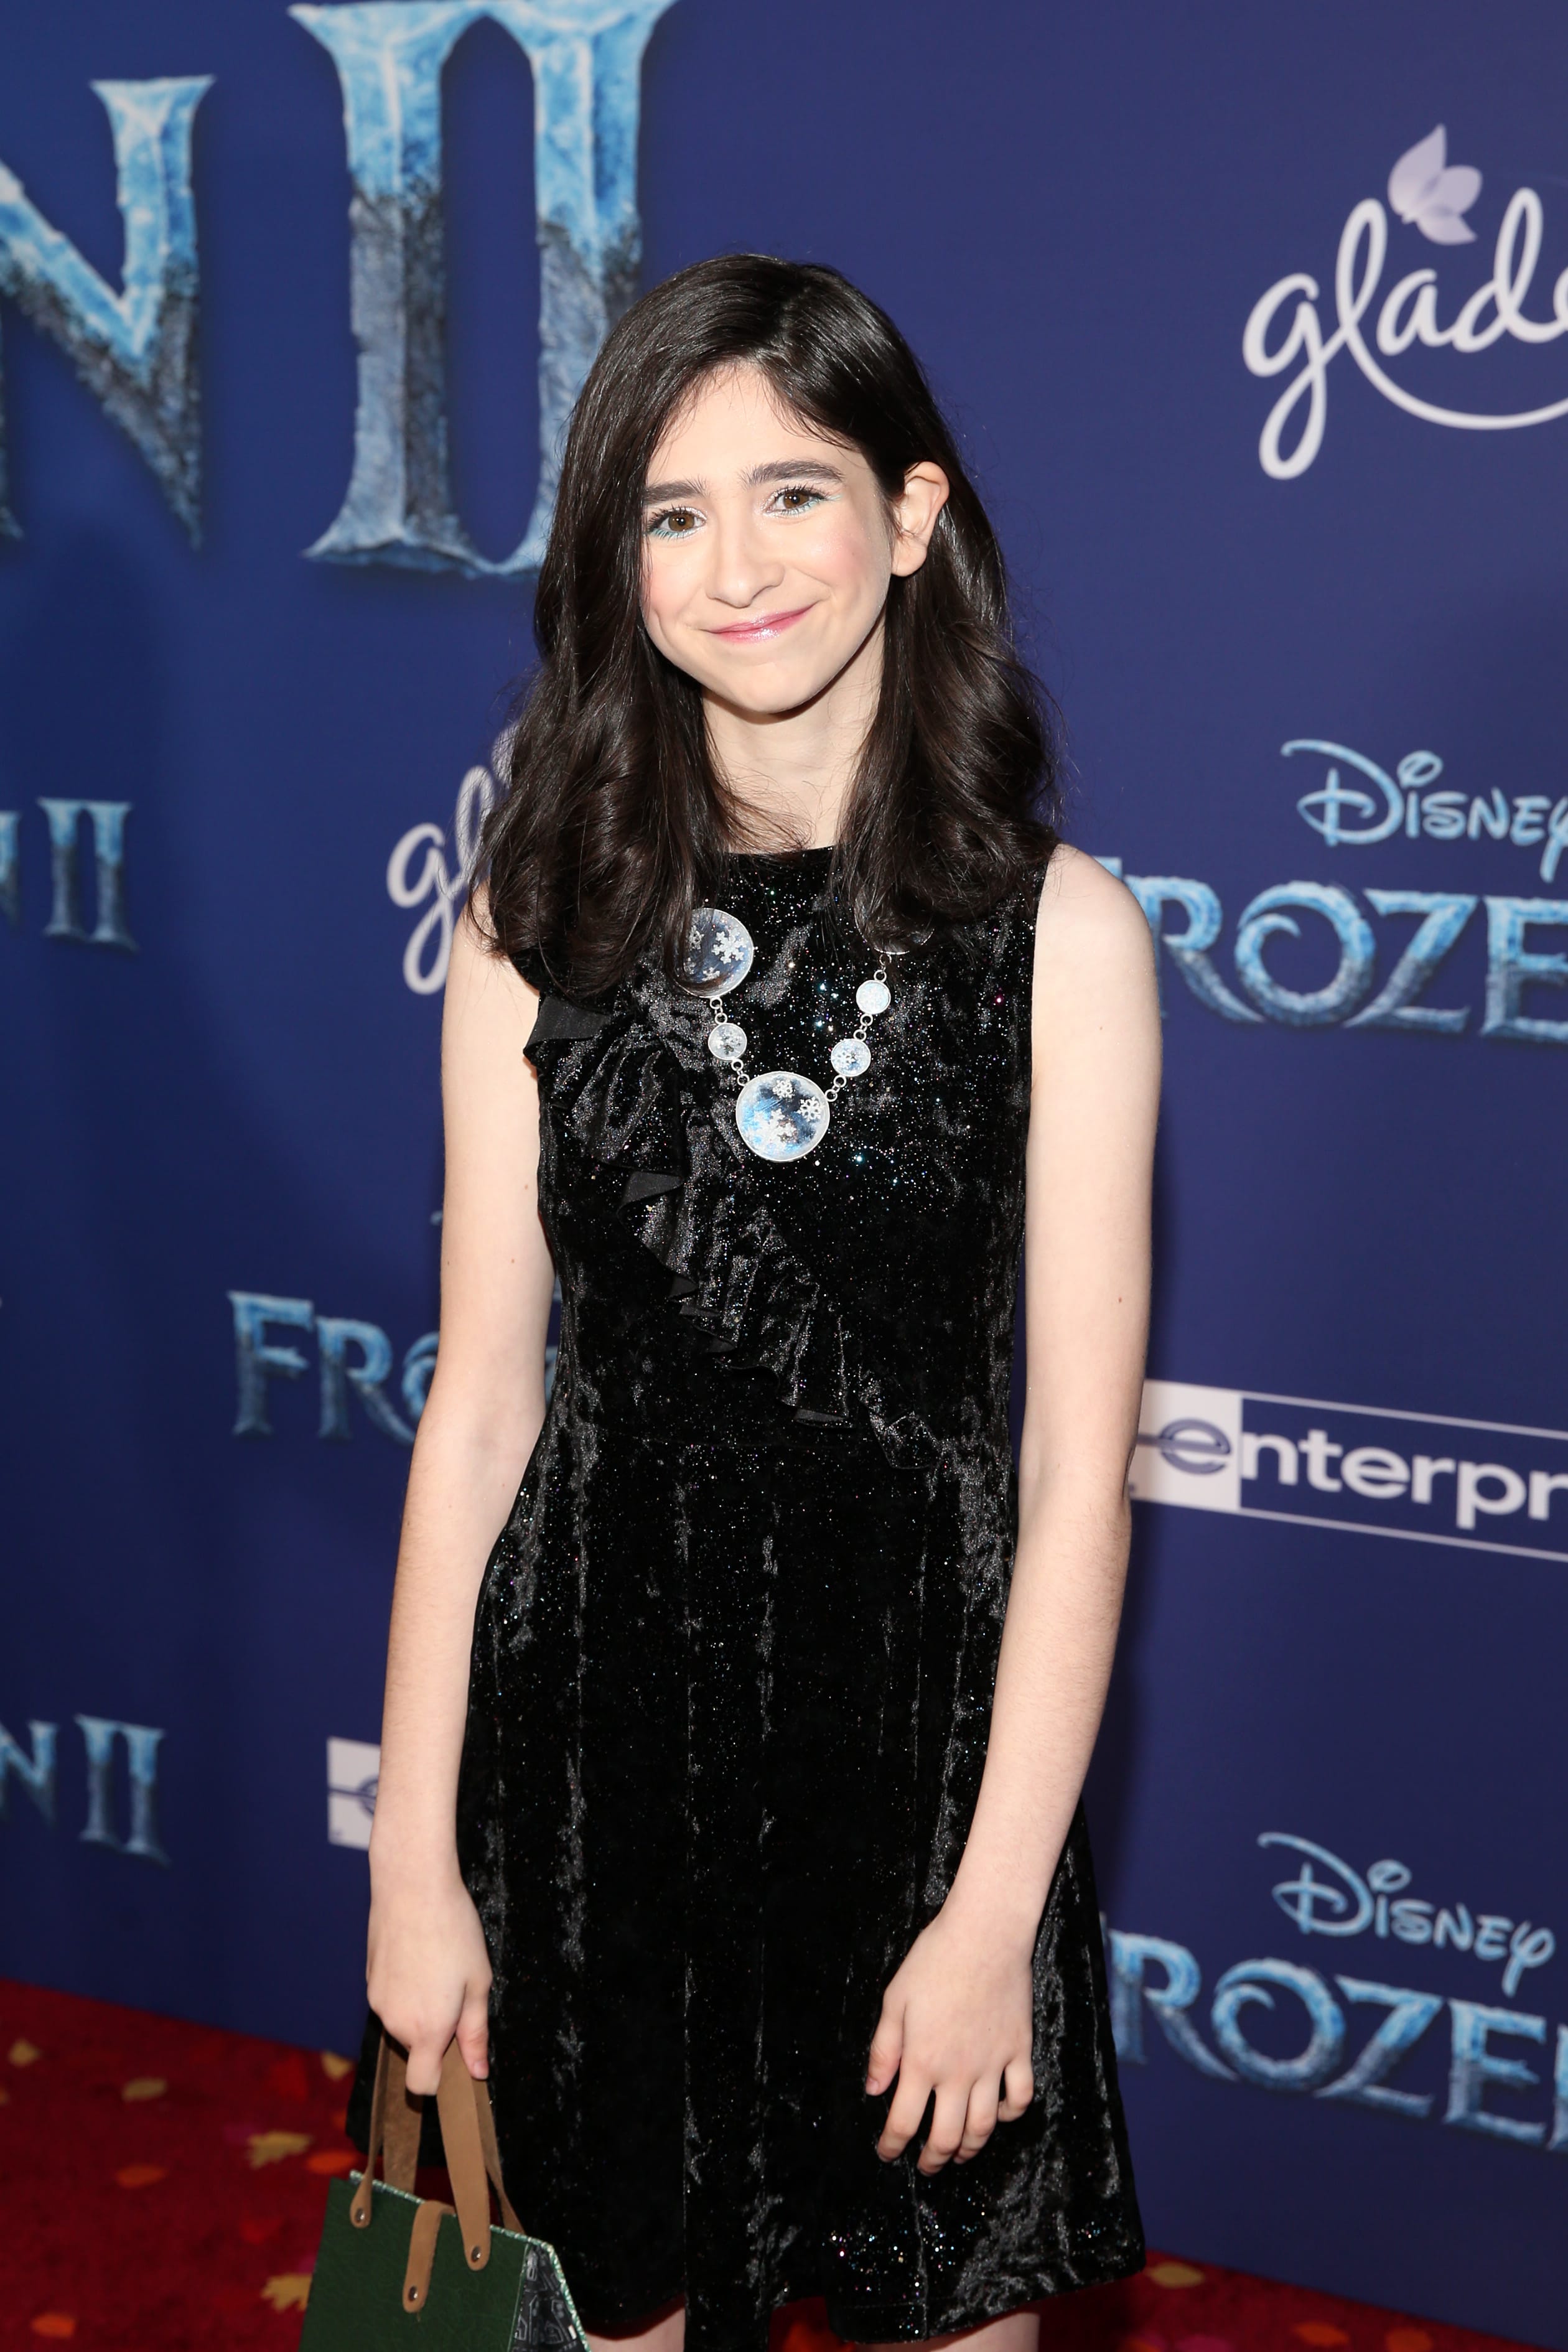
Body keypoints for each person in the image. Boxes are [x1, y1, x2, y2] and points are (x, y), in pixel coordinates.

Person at [361, 254, 1160, 2352]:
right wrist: (415, 1862)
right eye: (672, 513)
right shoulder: (533, 924)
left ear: (909, 516)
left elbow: (1075, 1478)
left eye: (793, 492)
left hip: (922, 1759)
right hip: (595, 1760)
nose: (737, 567)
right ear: (616, 565)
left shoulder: (1063, 940)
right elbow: (482, 1408)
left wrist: (995, 1916)